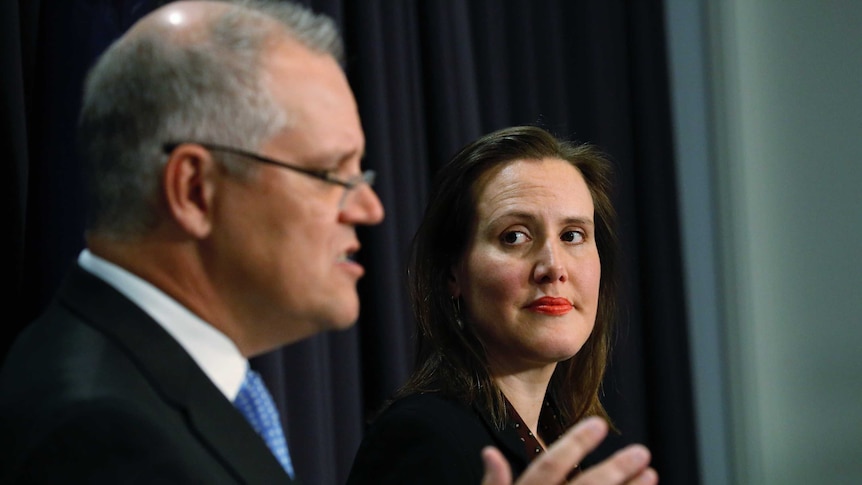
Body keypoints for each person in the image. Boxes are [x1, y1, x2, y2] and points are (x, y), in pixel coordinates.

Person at [0, 1, 383, 483]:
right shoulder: (101, 438)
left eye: (359, 171)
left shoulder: (158, 384)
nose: (370, 209)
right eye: (330, 173)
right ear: (195, 192)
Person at [347, 125, 658, 485]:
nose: (554, 267)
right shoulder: (422, 438)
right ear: (453, 274)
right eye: (514, 237)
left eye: (573, 235)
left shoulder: (578, 447)